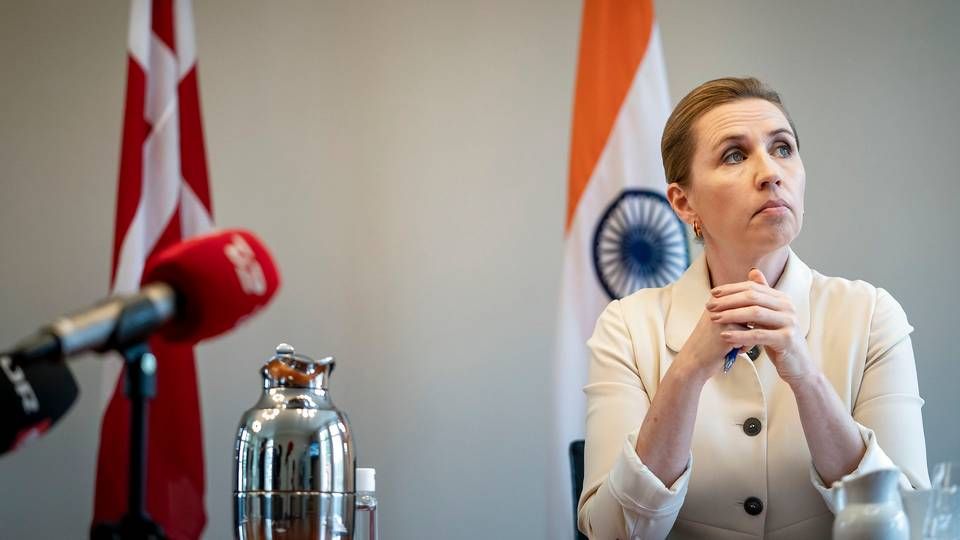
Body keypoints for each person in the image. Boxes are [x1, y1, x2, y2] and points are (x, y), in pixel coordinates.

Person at [576, 77, 929, 539]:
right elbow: (611, 532)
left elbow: (909, 522)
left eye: (782, 148)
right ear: (684, 202)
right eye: (735, 155)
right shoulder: (626, 326)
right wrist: (686, 371)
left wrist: (805, 375)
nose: (770, 172)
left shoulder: (871, 314)